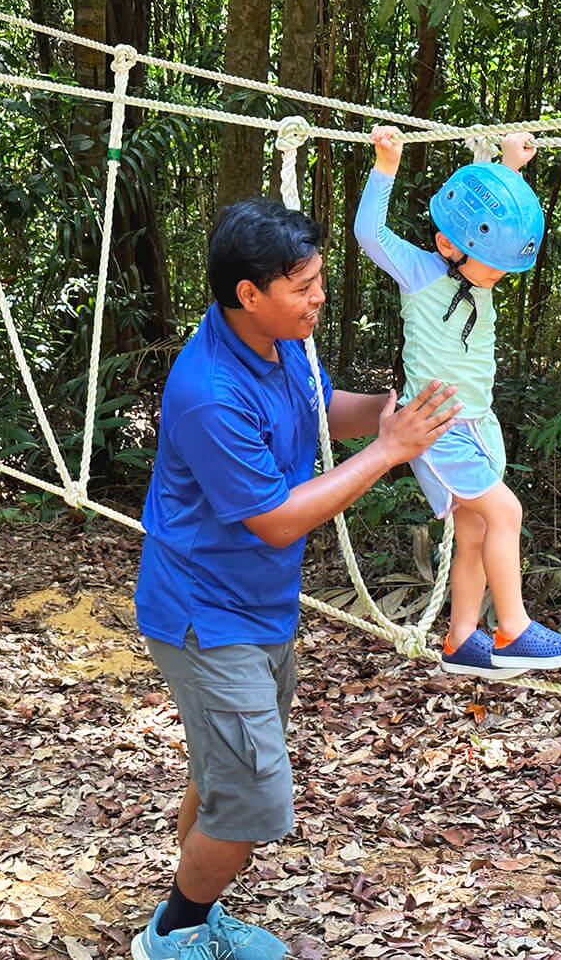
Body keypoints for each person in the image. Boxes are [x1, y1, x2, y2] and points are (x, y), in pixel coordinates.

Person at [132, 197, 460, 960]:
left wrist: (395, 414)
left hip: (257, 607)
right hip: (204, 618)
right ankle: (171, 934)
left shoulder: (285, 345)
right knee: (253, 800)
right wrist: (386, 453)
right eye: (303, 286)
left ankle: (195, 917)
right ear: (248, 294)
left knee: (227, 776)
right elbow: (277, 519)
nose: (319, 298)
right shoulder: (209, 390)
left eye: (317, 280)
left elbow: (322, 413)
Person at [354, 125, 561, 681]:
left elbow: (494, 217)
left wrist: (511, 165)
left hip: (477, 425)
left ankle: (463, 638)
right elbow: (370, 233)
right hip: (436, 428)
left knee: (477, 531)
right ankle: (513, 630)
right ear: (449, 245)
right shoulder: (419, 272)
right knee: (506, 512)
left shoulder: (480, 272)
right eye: (495, 265)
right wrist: (385, 167)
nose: (501, 275)